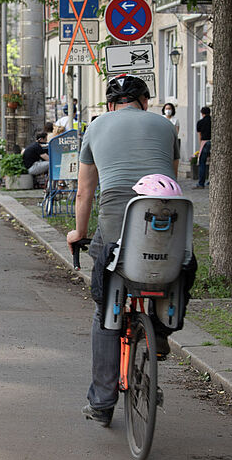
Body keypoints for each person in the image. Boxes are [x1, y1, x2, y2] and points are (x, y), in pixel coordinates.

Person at [65, 74, 179, 427]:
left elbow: (85, 192)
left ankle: (101, 403)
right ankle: (159, 331)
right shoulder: (165, 125)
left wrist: (78, 233)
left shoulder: (96, 126)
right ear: (145, 102)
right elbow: (171, 183)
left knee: (105, 311)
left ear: (110, 106)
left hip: (117, 222)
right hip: (165, 221)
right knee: (178, 267)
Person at [196, 106, 212, 188]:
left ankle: (201, 183)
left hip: (204, 143)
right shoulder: (213, 121)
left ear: (202, 113)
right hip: (213, 142)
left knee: (202, 163)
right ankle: (212, 181)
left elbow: (200, 135)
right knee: (213, 163)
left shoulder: (200, 122)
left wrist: (200, 145)